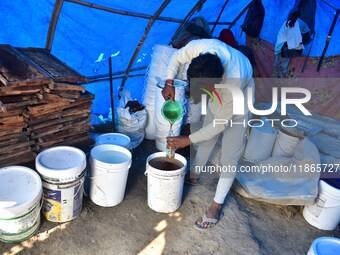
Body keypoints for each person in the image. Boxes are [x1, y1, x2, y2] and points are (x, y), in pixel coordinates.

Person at [162, 38, 254, 230]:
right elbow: (176, 58)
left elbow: (220, 125)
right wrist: (169, 81)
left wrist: (186, 140)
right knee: (206, 136)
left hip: (243, 95)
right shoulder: (202, 49)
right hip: (218, 87)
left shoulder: (233, 82)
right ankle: (194, 174)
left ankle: (216, 206)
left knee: (231, 153)